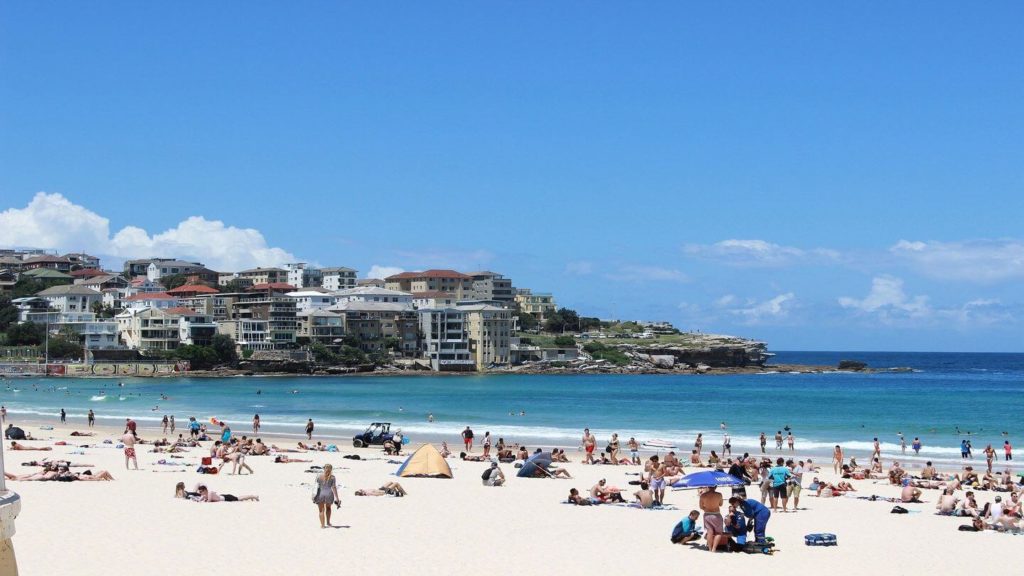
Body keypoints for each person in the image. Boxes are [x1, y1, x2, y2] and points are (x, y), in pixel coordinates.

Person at [314, 464, 341, 528]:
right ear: (331, 469)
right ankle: (328, 522)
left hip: (320, 493)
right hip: (329, 494)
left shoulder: (318, 476)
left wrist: (314, 496)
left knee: (321, 510)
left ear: (324, 468)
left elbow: (315, 486)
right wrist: (337, 498)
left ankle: (322, 525)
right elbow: (334, 487)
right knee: (328, 508)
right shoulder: (333, 477)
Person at [700, 486, 725, 552]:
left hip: (707, 514)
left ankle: (710, 548)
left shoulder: (703, 495)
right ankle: (714, 548)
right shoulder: (719, 494)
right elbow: (721, 504)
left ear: (708, 486)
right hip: (716, 514)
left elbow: (701, 506)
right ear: (716, 487)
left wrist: (706, 509)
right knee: (718, 533)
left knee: (709, 532)